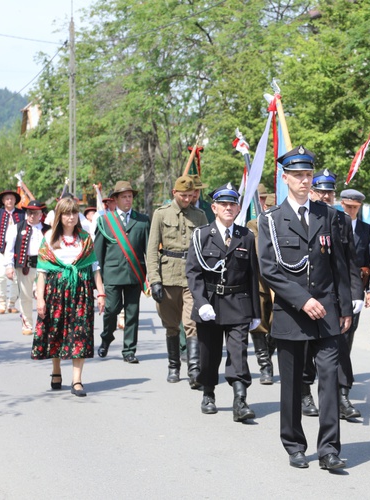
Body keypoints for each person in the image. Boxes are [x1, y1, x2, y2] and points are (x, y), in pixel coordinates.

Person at [258, 145, 352, 470]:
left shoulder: (327, 214)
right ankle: (295, 444)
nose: (304, 181)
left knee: (329, 380)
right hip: (291, 315)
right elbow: (269, 269)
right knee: (294, 383)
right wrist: (302, 299)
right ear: (285, 178)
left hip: (326, 313)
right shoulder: (270, 219)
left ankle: (329, 449)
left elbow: (340, 264)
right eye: (297, 175)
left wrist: (346, 308)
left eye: (308, 175)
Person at [186, 183, 260, 421]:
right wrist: (201, 302)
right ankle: (208, 393)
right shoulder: (202, 235)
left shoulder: (246, 236)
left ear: (238, 208)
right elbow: (193, 273)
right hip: (210, 303)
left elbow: (252, 274)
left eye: (233, 204)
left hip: (239, 302)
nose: (229, 208)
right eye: (224, 204)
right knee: (209, 355)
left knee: (239, 353)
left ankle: (240, 400)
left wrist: (256, 312)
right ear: (214, 207)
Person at [303, 170, 364, 420]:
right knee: (306, 348)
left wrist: (356, 293)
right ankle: (305, 392)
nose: (326, 195)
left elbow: (350, 261)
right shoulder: (303, 217)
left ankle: (341, 396)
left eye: (329, 191)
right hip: (308, 295)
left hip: (336, 296)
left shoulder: (341, 219)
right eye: (321, 191)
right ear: (312, 192)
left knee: (339, 348)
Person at [33, 197, 105, 397]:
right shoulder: (48, 238)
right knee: (55, 332)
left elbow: (94, 267)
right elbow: (41, 272)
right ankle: (56, 371)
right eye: (66, 213)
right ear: (59, 216)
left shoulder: (85, 237)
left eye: (74, 213)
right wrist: (40, 299)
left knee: (79, 334)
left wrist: (101, 292)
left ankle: (77, 381)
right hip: (55, 293)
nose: (71, 217)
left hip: (80, 292)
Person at [146, 175, 208, 385]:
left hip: (192, 276)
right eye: (183, 195)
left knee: (192, 324)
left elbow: (206, 247)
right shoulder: (161, 214)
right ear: (174, 193)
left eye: (191, 196)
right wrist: (154, 280)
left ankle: (194, 371)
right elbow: (152, 249)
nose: (187, 199)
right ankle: (174, 366)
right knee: (171, 325)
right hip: (168, 277)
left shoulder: (199, 215)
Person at [95, 181, 151, 364]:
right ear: (116, 199)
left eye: (130, 196)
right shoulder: (105, 220)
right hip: (112, 274)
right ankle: (106, 337)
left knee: (132, 313)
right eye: (124, 197)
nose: (128, 200)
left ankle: (129, 350)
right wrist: (99, 279)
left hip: (135, 273)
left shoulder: (142, 220)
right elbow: (99, 252)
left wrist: (150, 275)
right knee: (111, 310)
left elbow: (148, 250)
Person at [246, 187, 277, 384]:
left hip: (278, 283)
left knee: (277, 325)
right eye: (267, 205)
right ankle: (265, 366)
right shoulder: (253, 225)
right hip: (258, 281)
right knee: (259, 325)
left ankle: (269, 350)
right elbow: (256, 249)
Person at [4, 201, 47, 336]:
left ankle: (43, 324)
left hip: (44, 267)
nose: (32, 215)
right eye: (29, 212)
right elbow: (9, 249)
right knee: (25, 296)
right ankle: (27, 323)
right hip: (25, 266)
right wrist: (9, 266)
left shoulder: (48, 229)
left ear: (41, 214)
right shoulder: (16, 227)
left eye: (35, 213)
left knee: (44, 296)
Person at [0, 190, 25, 314]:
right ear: (3, 201)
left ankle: (12, 303)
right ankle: (2, 302)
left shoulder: (21, 214)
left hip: (16, 250)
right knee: (0, 276)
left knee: (15, 278)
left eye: (11, 198)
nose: (9, 201)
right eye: (7, 199)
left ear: (15, 200)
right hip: (1, 249)